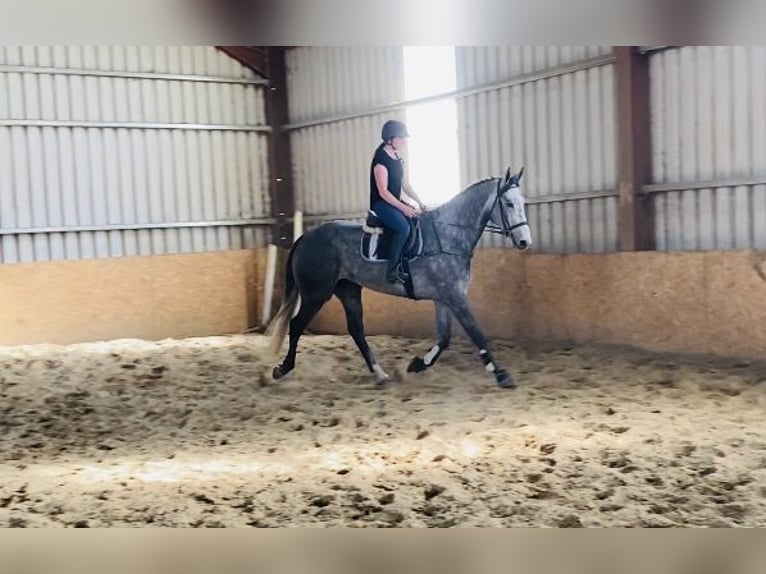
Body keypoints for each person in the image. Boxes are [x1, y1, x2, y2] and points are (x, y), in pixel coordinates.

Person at [369, 120, 427, 283]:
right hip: (381, 203)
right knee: (403, 228)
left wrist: (418, 202)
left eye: (404, 137)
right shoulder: (380, 160)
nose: (404, 140)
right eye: (400, 137)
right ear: (389, 139)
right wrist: (404, 208)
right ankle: (392, 270)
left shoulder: (397, 158)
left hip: (394, 200)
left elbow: (405, 185)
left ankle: (405, 262)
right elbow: (383, 192)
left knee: (416, 220)